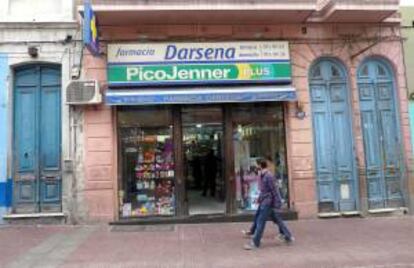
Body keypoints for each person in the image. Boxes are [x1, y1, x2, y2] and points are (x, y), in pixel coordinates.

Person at [244, 159, 294, 250]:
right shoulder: (262, 175)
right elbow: (263, 190)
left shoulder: (268, 176)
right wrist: (259, 199)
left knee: (260, 222)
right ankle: (288, 236)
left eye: (256, 165)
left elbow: (274, 190)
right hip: (265, 201)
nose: (255, 167)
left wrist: (277, 202)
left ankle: (255, 243)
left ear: (260, 166)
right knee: (277, 219)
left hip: (268, 202)